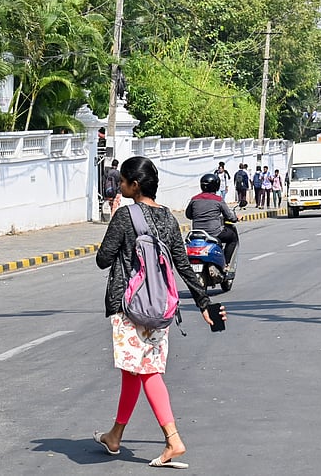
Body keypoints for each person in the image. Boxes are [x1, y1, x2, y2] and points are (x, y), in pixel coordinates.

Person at [93, 156, 224, 469]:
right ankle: (115, 435)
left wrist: (115, 225)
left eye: (123, 181)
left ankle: (173, 438)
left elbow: (103, 259)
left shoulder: (124, 216)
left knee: (146, 372)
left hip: (128, 307)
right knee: (134, 371)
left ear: (134, 186)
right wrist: (203, 302)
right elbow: (182, 264)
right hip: (160, 306)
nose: (120, 185)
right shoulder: (167, 217)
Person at [186, 173, 240, 272]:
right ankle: (226, 264)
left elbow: (188, 215)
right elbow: (229, 216)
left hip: (197, 233)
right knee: (232, 238)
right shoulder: (218, 199)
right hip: (214, 233)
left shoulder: (194, 199)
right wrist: (236, 218)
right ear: (216, 185)